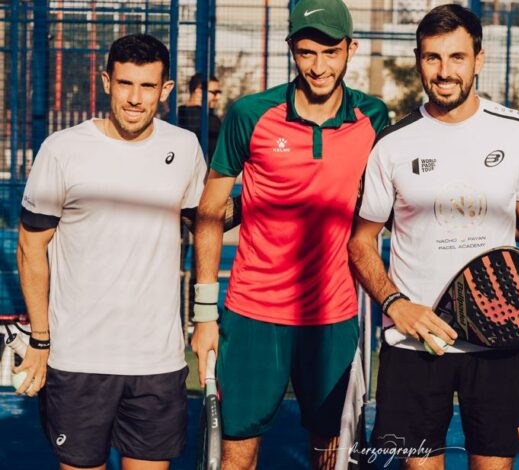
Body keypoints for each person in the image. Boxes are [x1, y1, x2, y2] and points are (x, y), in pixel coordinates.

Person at [189, 0, 389, 468]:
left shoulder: (374, 118)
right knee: (237, 448)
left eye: (330, 52)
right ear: (291, 51)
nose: (318, 66)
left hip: (333, 315)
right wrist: (203, 314)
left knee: (330, 451)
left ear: (351, 49)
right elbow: (211, 209)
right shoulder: (249, 114)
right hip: (253, 311)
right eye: (306, 53)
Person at [348, 4, 519, 469]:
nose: (444, 71)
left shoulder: (516, 132)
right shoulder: (393, 143)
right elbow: (361, 241)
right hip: (415, 343)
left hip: (497, 339)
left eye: (457, 57)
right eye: (432, 58)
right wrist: (396, 305)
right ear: (418, 60)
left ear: (479, 59)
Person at [16, 34, 204, 470]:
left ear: (166, 89)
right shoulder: (62, 150)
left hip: (156, 360)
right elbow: (31, 247)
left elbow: (207, 220)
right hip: (79, 358)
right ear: (106, 82)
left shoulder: (185, 147)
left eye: (147, 86)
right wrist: (41, 339)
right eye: (125, 84)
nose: (135, 99)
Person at [178, 73, 222, 160]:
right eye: (214, 92)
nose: (218, 97)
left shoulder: (174, 115)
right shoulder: (211, 121)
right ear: (199, 91)